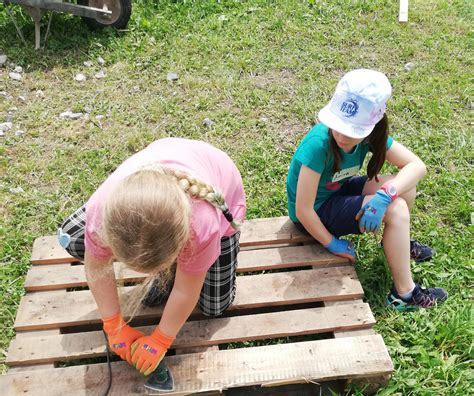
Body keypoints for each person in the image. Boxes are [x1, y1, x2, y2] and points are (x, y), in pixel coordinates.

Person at [57, 138, 246, 375]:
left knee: (215, 306)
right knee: (72, 237)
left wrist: (161, 339)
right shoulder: (101, 211)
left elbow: (186, 290)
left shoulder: (203, 226)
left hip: (219, 188)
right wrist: (113, 324)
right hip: (157, 177)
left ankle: (190, 263)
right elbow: (97, 267)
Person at [286, 68, 447, 310]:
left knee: (402, 187)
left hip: (336, 191)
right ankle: (403, 294)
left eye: (352, 131)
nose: (341, 135)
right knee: (397, 208)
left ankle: (395, 241)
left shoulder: (373, 135)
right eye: (338, 126)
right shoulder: (318, 145)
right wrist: (331, 243)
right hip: (315, 214)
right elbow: (303, 210)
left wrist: (385, 194)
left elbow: (416, 166)